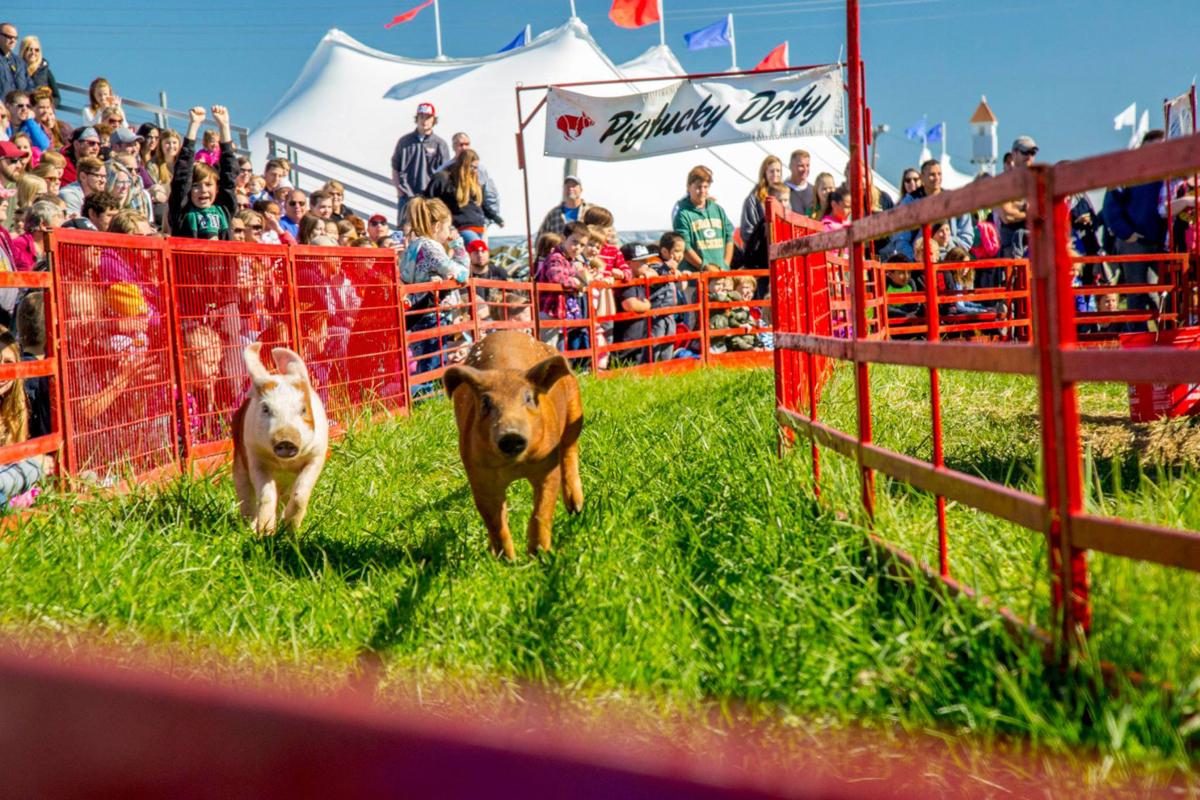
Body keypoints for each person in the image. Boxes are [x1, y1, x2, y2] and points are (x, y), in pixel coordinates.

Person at [1102, 130, 1168, 327]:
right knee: (1136, 293)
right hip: (1135, 242)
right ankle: (1136, 343)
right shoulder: (1129, 171)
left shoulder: (1167, 172)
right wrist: (1126, 233)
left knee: (1159, 293)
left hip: (1159, 242)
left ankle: (1160, 342)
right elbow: (1111, 205)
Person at [398, 196, 468, 378]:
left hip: (420, 312)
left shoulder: (413, 247)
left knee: (427, 361)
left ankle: (428, 399)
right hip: (433, 313)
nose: (449, 233)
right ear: (437, 226)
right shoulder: (430, 246)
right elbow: (460, 273)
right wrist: (457, 246)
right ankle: (427, 400)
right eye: (447, 227)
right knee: (431, 366)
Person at [168, 105, 238, 239]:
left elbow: (229, 174)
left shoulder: (224, 209)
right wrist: (193, 125)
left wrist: (224, 126)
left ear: (217, 188)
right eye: (196, 186)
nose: (203, 190)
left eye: (208, 184)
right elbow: (182, 178)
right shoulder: (183, 212)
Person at [536, 221, 593, 355]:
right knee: (548, 348)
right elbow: (557, 278)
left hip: (558, 310)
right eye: (574, 242)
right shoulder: (556, 258)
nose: (578, 247)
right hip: (549, 310)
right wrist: (578, 283)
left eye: (582, 245)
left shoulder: (569, 260)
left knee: (557, 347)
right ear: (563, 238)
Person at [390, 101, 449, 226]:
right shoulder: (404, 141)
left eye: (428, 117)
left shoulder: (440, 144)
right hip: (407, 196)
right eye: (421, 117)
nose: (424, 121)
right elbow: (395, 167)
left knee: (431, 230)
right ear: (416, 119)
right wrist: (399, 190)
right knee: (405, 230)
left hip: (431, 199)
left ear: (434, 120)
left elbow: (445, 173)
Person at [423, 147, 501, 240]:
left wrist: (495, 217)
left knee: (480, 253)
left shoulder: (472, 182)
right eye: (473, 167)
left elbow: (480, 204)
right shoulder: (443, 178)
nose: (475, 171)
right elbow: (429, 201)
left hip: (479, 227)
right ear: (465, 165)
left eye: (477, 168)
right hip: (460, 227)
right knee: (475, 251)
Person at [536, 175, 590, 241]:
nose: (570, 189)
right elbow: (541, 238)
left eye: (573, 186)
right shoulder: (553, 214)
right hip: (559, 251)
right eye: (567, 186)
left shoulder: (590, 211)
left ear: (581, 190)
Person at [18, 36, 56, 107]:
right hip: (21, 111)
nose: (33, 52)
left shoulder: (45, 71)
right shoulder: (15, 70)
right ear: (23, 50)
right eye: (29, 49)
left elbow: (56, 97)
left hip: (40, 113)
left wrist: (48, 107)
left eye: (37, 50)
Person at [0, 23, 31, 98]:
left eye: (15, 38)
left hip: (18, 107)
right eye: (9, 37)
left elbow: (30, 86)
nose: (13, 40)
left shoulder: (20, 63)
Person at [785, 149, 814, 216]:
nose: (805, 169)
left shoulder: (815, 192)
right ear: (790, 166)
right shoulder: (781, 191)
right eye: (801, 166)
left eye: (807, 165)